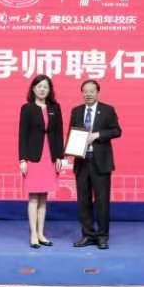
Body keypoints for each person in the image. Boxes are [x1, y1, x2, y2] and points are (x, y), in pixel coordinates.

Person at [69, 80, 121, 250]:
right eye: (85, 91)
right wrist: (69, 150)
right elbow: (72, 133)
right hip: (82, 162)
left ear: (98, 92)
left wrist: (97, 135)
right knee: (83, 200)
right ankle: (88, 235)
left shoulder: (107, 110)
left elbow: (116, 131)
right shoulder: (76, 111)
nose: (88, 94)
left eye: (91, 91)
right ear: (82, 93)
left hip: (101, 162)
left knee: (102, 201)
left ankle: (102, 236)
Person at [18, 75, 64, 249]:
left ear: (49, 90)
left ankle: (41, 233)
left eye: (45, 86)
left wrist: (59, 156)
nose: (42, 89)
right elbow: (22, 135)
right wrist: (22, 159)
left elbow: (58, 133)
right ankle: (33, 235)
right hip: (33, 156)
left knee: (44, 198)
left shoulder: (55, 108)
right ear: (33, 89)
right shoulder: (27, 108)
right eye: (39, 86)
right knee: (33, 197)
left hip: (49, 156)